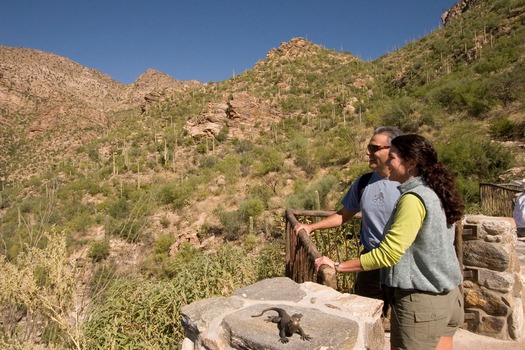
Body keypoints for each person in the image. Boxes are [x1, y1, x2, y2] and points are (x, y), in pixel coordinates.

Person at [314, 134, 464, 350]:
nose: (387, 163)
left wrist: (338, 266)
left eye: (392, 157)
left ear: (410, 163)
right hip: (448, 296)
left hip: (422, 302)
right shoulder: (435, 192)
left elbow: (388, 253)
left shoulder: (413, 199)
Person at [293, 126, 403, 317]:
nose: (367, 152)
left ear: (393, 151)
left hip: (404, 262)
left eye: (374, 148)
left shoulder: (410, 184)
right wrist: (311, 227)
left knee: (404, 322)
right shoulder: (364, 183)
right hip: (371, 262)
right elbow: (344, 214)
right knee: (364, 316)